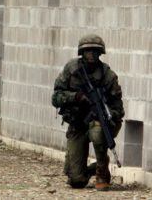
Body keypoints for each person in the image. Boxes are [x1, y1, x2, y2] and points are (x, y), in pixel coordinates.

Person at [51, 34, 124, 191]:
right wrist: (75, 97)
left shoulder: (108, 76)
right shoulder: (71, 70)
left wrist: (107, 114)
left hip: (98, 122)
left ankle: (102, 174)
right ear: (82, 53)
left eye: (95, 51)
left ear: (100, 53)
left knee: (98, 133)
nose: (91, 55)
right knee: (76, 180)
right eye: (88, 51)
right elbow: (55, 98)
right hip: (77, 124)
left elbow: (119, 108)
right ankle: (98, 164)